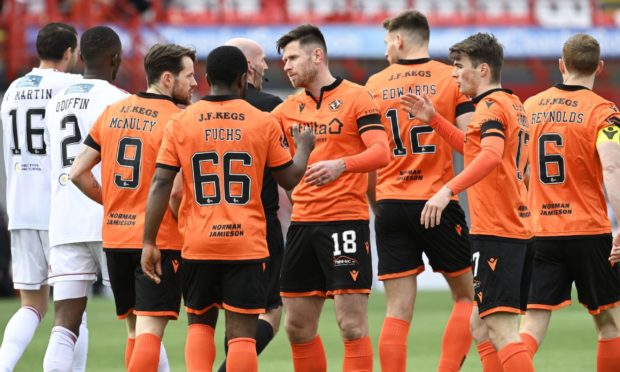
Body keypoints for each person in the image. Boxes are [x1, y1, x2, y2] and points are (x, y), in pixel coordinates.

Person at [141, 45, 315, 372]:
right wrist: (304, 147)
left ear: (206, 79)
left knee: (200, 326)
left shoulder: (180, 122)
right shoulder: (262, 122)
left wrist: (149, 242)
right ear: (242, 80)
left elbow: (161, 184)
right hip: (245, 243)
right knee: (242, 337)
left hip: (197, 242)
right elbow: (291, 178)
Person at [401, 32, 534, 371]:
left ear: (484, 69)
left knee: (503, 333)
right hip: (513, 228)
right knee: (480, 326)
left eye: (460, 67)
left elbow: (489, 156)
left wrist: (448, 190)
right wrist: (435, 120)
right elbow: (477, 150)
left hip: (498, 232)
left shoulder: (489, 108)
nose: (454, 74)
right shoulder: (511, 103)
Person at [69, 43, 197, 372]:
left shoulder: (114, 110)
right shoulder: (179, 120)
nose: (195, 84)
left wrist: (112, 202)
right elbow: (175, 193)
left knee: (133, 330)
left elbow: (77, 172)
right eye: (189, 76)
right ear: (167, 79)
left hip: (115, 238)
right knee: (150, 333)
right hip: (158, 240)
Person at [272, 24, 390, 372]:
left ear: (317, 55)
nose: (287, 66)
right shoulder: (285, 110)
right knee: (296, 327)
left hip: (345, 222)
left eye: (293, 57)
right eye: (283, 60)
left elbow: (381, 152)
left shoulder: (357, 97)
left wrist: (342, 165)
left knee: (351, 325)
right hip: (302, 225)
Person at [365, 10, 475, 372]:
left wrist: (376, 204)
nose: (385, 51)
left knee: (397, 311)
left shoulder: (373, 85)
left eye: (386, 42)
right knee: (467, 297)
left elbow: (370, 155)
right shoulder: (451, 78)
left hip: (391, 203)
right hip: (437, 201)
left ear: (398, 40)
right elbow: (471, 146)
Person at [520, 34, 620, 372]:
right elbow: (611, 167)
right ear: (600, 67)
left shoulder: (530, 107)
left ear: (561, 65)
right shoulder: (605, 112)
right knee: (609, 323)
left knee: (531, 325)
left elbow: (520, 168)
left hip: (541, 231)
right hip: (589, 230)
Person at [42, 25, 129, 372]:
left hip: (64, 219)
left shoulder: (55, 101)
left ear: (79, 57)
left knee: (65, 323)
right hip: (110, 217)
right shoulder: (120, 100)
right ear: (116, 58)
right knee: (140, 320)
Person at [0, 22, 81, 372]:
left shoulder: (13, 89)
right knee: (72, 309)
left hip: (20, 205)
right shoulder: (72, 86)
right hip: (57, 208)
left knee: (31, 305)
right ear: (69, 52)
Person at [214, 38, 284, 372]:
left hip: (203, 226)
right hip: (255, 225)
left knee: (202, 318)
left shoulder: (194, 113)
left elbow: (166, 185)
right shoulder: (271, 108)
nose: (268, 66)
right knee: (265, 313)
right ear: (247, 69)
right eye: (262, 59)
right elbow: (289, 175)